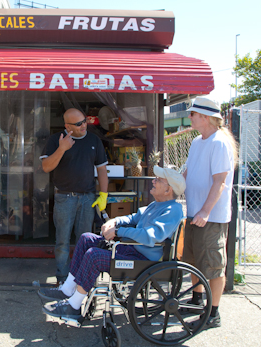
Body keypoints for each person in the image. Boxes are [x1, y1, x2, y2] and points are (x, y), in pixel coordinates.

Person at [38, 166, 185, 320]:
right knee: (86, 239)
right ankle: (67, 289)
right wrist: (114, 221)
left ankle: (73, 306)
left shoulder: (172, 210)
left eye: (158, 180)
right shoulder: (155, 205)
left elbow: (150, 236)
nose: (153, 181)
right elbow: (133, 218)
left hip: (144, 260)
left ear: (168, 190)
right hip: (132, 250)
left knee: (94, 256)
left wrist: (119, 231)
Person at [181, 97, 237, 330]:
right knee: (192, 261)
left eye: (193, 114)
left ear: (204, 117)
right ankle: (196, 301)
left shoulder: (219, 143)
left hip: (211, 217)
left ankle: (213, 314)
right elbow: (187, 173)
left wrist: (205, 210)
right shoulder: (197, 142)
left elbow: (220, 182)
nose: (190, 117)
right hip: (194, 213)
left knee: (213, 266)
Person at [40, 108, 109, 285]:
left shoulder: (93, 140)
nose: (84, 125)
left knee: (84, 241)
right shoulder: (56, 140)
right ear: (67, 126)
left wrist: (104, 194)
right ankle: (62, 279)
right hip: (65, 197)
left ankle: (80, 279)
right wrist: (62, 149)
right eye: (78, 124)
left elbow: (101, 169)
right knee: (62, 241)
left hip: (88, 198)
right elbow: (46, 167)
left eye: (84, 121)